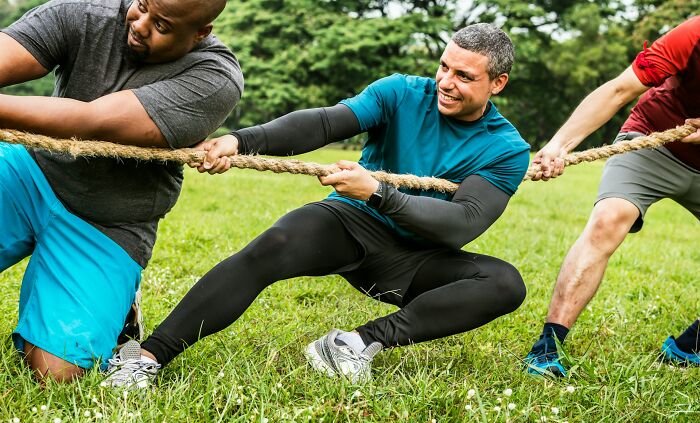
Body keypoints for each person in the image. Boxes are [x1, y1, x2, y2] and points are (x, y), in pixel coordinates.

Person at [103, 23, 531, 389]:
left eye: (464, 76)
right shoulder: (401, 93)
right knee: (272, 246)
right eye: (443, 67)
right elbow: (326, 122)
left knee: (504, 283)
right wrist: (241, 140)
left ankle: (355, 344)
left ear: (498, 83)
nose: (446, 83)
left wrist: (379, 192)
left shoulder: (506, 149)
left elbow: (462, 224)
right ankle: (147, 357)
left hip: (418, 255)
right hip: (351, 223)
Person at [0, 0, 244, 382]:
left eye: (161, 24)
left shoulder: (213, 77)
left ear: (200, 32)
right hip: (30, 171)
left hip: (108, 220)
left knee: (56, 371)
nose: (140, 23)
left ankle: (120, 310)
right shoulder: (81, 14)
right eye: (141, 4)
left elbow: (92, 121)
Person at [525, 16, 700, 376]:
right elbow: (620, 89)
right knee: (609, 219)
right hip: (655, 138)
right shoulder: (693, 35)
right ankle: (547, 347)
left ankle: (689, 347)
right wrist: (559, 144)